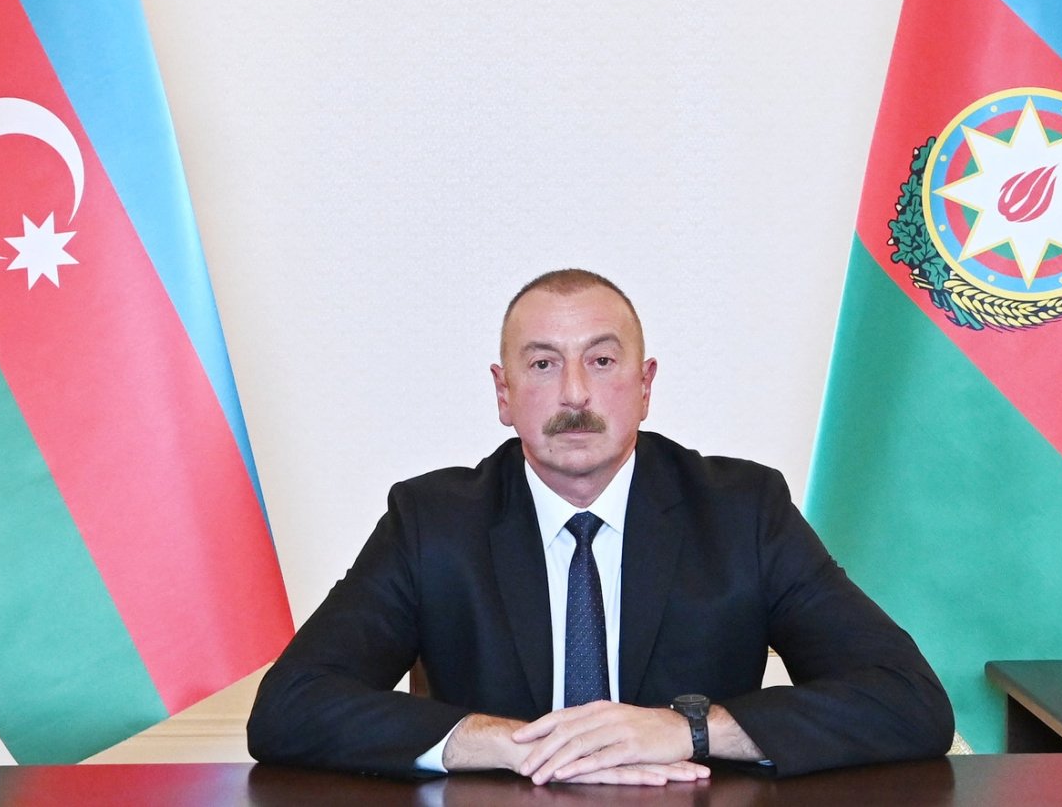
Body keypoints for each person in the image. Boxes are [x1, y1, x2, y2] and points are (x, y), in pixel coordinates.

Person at [248, 270, 953, 783]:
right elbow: (290, 707)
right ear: (504, 394)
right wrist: (508, 743)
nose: (576, 394)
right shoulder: (432, 523)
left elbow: (907, 698)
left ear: (645, 386)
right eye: (544, 365)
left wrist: (688, 731)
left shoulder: (742, 512)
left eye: (603, 361)